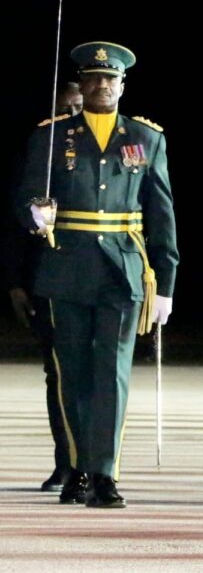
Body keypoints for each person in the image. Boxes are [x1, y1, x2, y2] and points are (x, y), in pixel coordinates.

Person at [15, 41, 179, 508]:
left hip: (122, 270)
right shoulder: (53, 136)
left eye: (110, 78)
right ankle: (77, 467)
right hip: (66, 265)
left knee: (113, 372)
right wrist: (36, 214)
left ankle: (104, 473)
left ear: (122, 85)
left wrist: (165, 284)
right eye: (93, 78)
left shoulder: (146, 137)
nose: (102, 85)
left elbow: (161, 213)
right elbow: (25, 197)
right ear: (82, 84)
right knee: (72, 372)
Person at [2, 82, 83, 492]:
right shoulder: (39, 152)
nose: (72, 116)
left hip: (99, 278)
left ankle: (97, 464)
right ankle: (66, 461)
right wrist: (14, 282)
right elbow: (14, 222)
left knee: (97, 374)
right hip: (47, 278)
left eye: (79, 108)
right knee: (58, 372)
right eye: (65, 109)